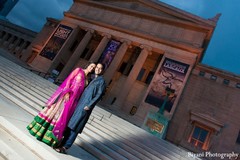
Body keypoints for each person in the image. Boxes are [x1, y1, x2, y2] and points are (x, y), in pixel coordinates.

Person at [26, 62, 96, 147]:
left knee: (62, 118)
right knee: (56, 113)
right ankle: (40, 132)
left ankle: (51, 138)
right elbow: (69, 80)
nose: (92, 68)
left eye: (93, 67)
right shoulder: (78, 70)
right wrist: (66, 92)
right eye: (91, 66)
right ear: (88, 65)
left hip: (74, 102)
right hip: (66, 96)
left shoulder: (87, 79)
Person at [54, 63, 106, 154]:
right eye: (97, 67)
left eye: (100, 68)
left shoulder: (101, 82)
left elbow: (98, 95)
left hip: (85, 107)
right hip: (79, 104)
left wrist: (89, 105)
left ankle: (65, 147)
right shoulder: (93, 78)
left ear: (103, 71)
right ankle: (62, 143)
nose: (98, 69)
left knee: (75, 127)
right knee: (71, 125)